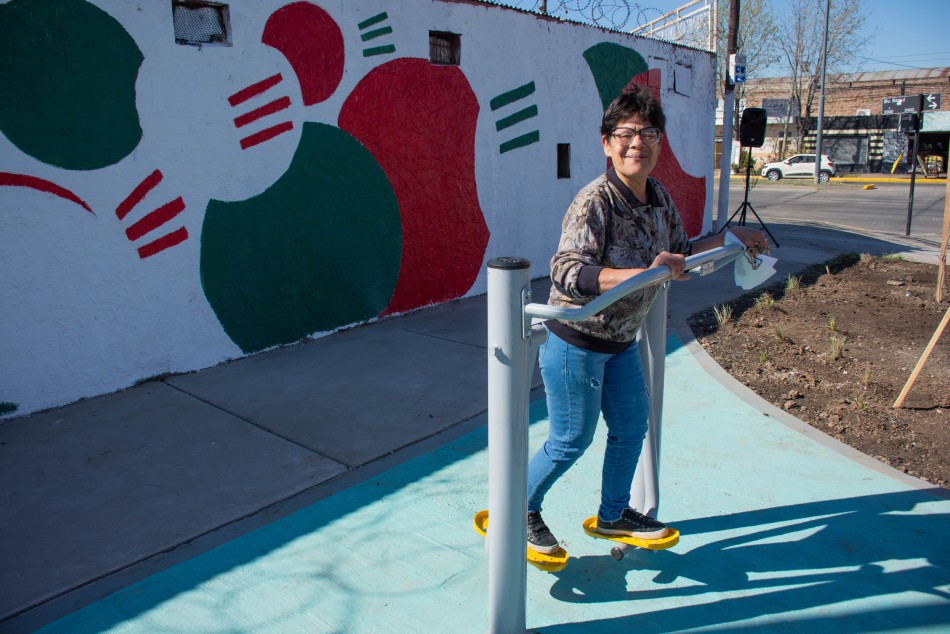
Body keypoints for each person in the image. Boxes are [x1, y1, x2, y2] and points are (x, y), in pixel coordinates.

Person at [526, 87, 768, 554]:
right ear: (606, 143)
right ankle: (521, 509)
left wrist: (731, 236)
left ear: (660, 142)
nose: (638, 143)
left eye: (649, 133)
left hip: (620, 343)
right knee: (571, 439)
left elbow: (681, 252)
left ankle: (614, 514)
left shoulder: (658, 195)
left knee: (632, 427)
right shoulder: (594, 201)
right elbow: (567, 270)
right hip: (577, 339)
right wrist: (642, 273)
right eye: (626, 133)